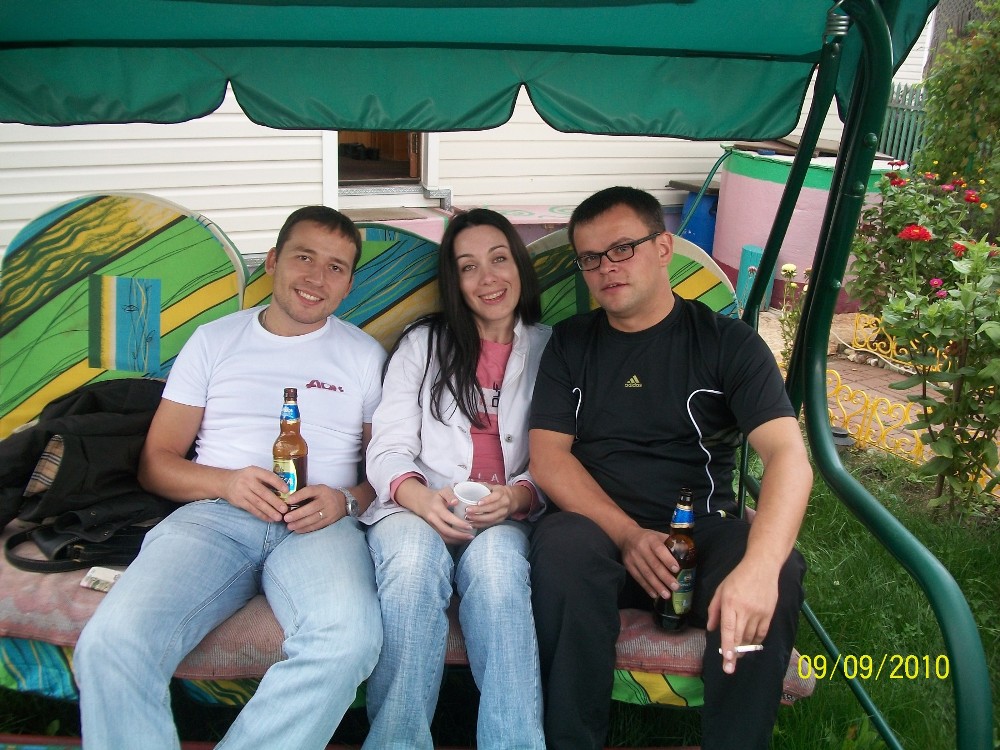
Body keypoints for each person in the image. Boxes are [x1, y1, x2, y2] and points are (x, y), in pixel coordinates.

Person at [74, 206, 386, 749]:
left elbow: (386, 471)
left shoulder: (363, 356)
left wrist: (346, 501)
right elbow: (156, 463)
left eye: (335, 267)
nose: (317, 277)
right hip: (215, 519)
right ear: (273, 261)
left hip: (320, 527)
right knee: (111, 641)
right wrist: (226, 483)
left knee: (348, 641)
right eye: (304, 257)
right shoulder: (214, 340)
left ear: (349, 284)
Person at [528, 186, 811, 750]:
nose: (606, 268)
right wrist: (628, 535)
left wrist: (760, 567)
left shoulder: (727, 344)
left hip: (698, 531)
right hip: (598, 530)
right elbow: (549, 457)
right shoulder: (570, 344)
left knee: (776, 571)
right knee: (560, 551)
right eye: (590, 258)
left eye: (622, 248)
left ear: (663, 248)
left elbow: (787, 456)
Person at [360, 208, 549, 749]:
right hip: (415, 508)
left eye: (499, 259)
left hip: (506, 517)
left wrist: (518, 495)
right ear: (454, 281)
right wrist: (419, 498)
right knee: (413, 566)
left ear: (519, 265)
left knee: (498, 572)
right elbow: (388, 445)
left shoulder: (550, 348)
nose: (487, 278)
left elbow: (564, 453)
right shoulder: (424, 344)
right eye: (468, 267)